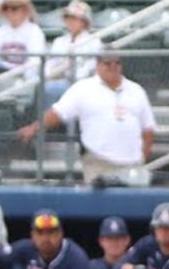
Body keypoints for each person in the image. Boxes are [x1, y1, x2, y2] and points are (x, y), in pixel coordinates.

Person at [17, 48, 156, 185]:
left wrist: (142, 158)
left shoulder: (136, 90)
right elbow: (58, 113)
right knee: (100, 206)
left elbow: (148, 128)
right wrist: (34, 128)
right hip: (99, 163)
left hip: (132, 165)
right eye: (107, 63)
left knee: (132, 206)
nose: (113, 67)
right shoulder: (83, 88)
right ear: (98, 65)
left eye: (117, 63)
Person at [42, 0, 100, 109]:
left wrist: (69, 76)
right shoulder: (59, 41)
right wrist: (52, 75)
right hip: (58, 81)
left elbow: (88, 69)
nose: (70, 21)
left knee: (54, 89)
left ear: (84, 21)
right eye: (68, 17)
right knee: (47, 87)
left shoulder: (93, 42)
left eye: (74, 18)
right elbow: (50, 66)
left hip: (83, 84)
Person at [0, 0, 46, 80]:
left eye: (14, 8)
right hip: (0, 75)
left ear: (25, 10)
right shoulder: (1, 31)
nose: (9, 12)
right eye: (6, 8)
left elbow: (35, 62)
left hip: (23, 78)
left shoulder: (34, 32)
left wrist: (19, 75)